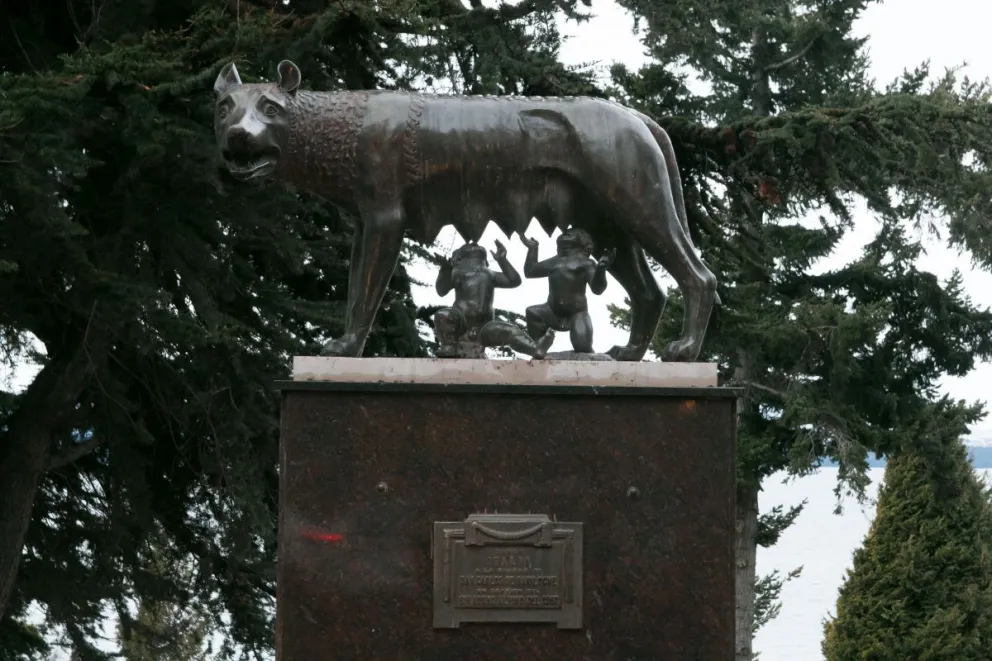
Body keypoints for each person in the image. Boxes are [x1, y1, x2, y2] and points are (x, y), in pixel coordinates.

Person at [434, 240, 556, 359]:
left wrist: (502, 260)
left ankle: (535, 348)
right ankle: (448, 345)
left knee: (511, 331)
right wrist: (445, 269)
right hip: (460, 323)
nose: (474, 243)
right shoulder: (456, 272)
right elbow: (441, 290)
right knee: (443, 315)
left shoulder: (490, 274)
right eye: (469, 245)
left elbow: (514, 281)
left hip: (484, 327)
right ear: (459, 258)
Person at [520, 228, 615, 353]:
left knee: (583, 348)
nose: (565, 232)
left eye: (572, 232)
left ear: (583, 241)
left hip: (577, 314)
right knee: (533, 312)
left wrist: (601, 269)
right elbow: (530, 271)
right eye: (565, 232)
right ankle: (539, 349)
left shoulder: (586, 263)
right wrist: (533, 249)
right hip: (551, 311)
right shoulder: (555, 260)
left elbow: (598, 289)